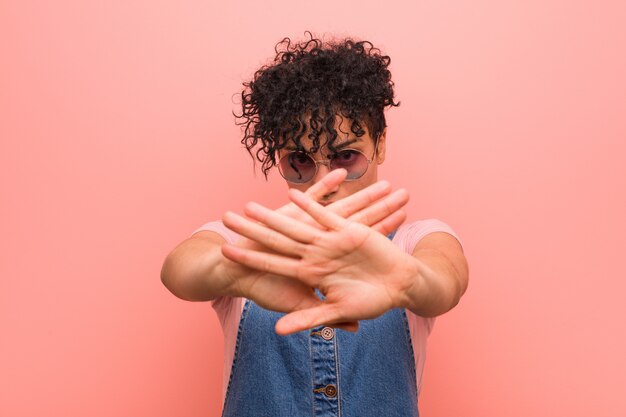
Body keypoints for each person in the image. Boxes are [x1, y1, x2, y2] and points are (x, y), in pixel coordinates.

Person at [161, 31, 469, 417]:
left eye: (346, 158)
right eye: (301, 162)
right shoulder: (247, 244)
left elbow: (447, 280)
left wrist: (409, 282)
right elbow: (178, 269)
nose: (326, 182)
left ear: (381, 145)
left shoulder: (413, 241)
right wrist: (233, 268)